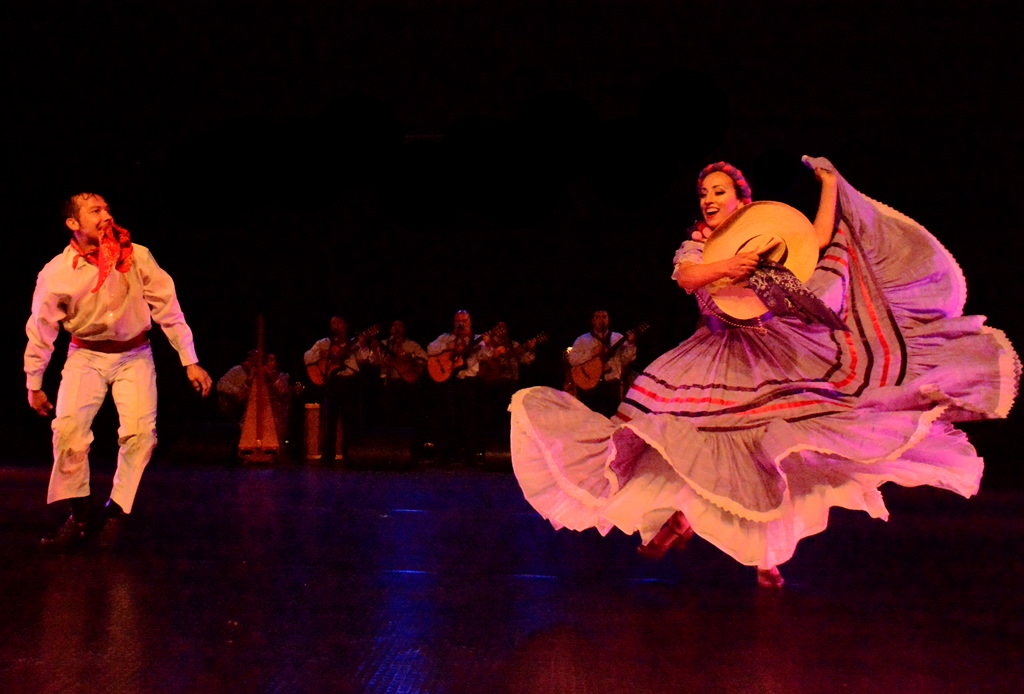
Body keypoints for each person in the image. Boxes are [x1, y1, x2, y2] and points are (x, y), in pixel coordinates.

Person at [509, 157, 1019, 589]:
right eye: (703, 192)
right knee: (688, 444)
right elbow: (688, 277)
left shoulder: (766, 232)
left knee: (772, 451)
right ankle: (687, 520)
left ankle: (760, 551)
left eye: (719, 191)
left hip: (772, 351)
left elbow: (815, 239)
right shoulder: (698, 245)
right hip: (711, 355)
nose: (708, 199)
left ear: (739, 198)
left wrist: (830, 186)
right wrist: (727, 267)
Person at [25, 192, 213, 549]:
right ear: (74, 224)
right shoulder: (57, 273)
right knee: (67, 433)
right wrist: (34, 383)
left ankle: (115, 513)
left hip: (134, 354)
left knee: (141, 435)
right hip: (86, 355)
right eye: (95, 211)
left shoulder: (137, 257)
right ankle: (80, 516)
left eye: (108, 209)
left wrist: (189, 360)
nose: (106, 215)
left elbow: (167, 307)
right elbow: (41, 330)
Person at [426, 310, 494, 463]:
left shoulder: (477, 339)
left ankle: (470, 453)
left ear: (470, 322)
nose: (461, 323)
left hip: (468, 382)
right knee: (446, 417)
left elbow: (486, 356)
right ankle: (444, 452)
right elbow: (430, 349)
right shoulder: (445, 337)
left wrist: (488, 345)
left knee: (469, 418)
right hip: (449, 383)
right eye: (458, 320)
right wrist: (448, 346)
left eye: (464, 320)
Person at [303, 316, 375, 461]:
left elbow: (368, 360)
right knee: (329, 420)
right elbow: (307, 357)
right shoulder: (324, 343)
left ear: (346, 326)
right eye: (333, 324)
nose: (335, 326)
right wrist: (322, 354)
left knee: (350, 420)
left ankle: (349, 454)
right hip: (332, 383)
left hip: (350, 383)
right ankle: (328, 455)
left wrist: (363, 346)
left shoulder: (353, 344)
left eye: (339, 323)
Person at [566, 310, 637, 417]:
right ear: (592, 321)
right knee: (590, 417)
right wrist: (592, 353)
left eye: (604, 317)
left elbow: (626, 360)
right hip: (590, 385)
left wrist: (631, 344)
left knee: (611, 415)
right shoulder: (583, 339)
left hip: (612, 384)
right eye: (597, 317)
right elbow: (572, 359)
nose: (601, 320)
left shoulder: (617, 337)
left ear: (608, 320)